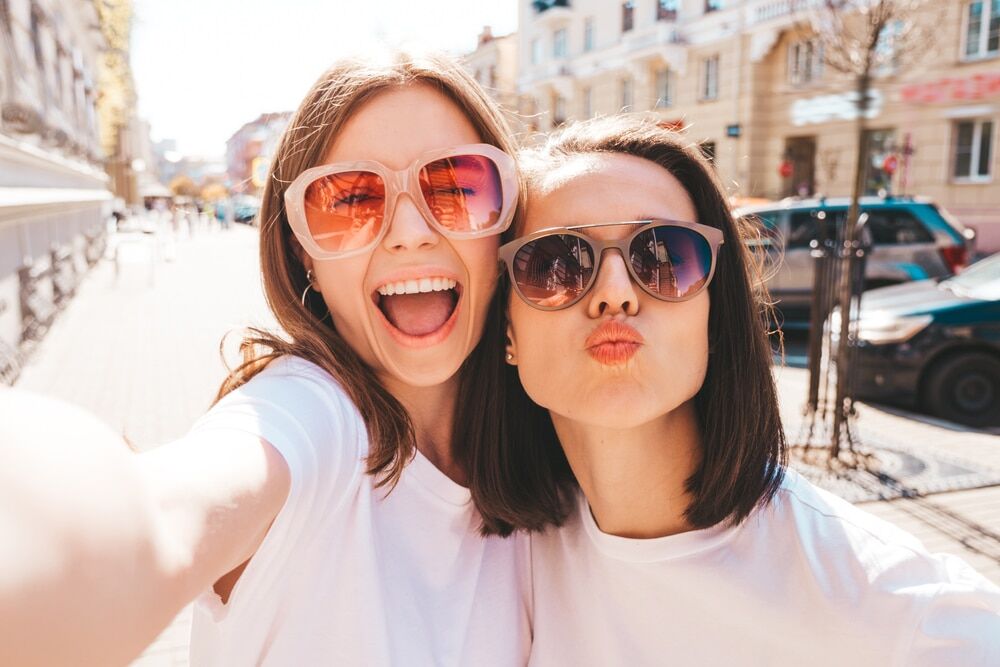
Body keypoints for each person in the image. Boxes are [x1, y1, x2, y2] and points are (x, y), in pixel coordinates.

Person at [0, 49, 555, 666]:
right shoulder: (305, 420)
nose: (409, 230)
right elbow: (157, 522)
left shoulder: (545, 452)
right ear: (301, 253)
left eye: (455, 186)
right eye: (350, 201)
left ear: (506, 224)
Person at [490, 115, 1000, 665]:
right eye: (556, 263)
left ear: (714, 314)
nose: (615, 294)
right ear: (507, 331)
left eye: (664, 257)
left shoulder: (893, 610)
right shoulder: (504, 557)